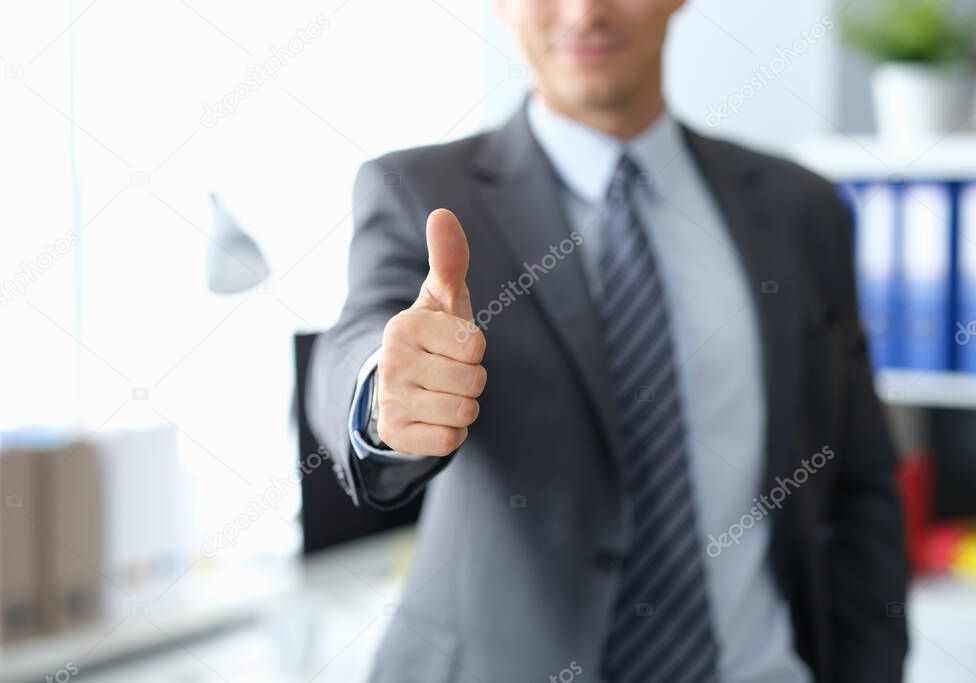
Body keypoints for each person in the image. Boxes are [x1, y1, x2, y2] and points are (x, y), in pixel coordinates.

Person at [306, 1, 908, 680]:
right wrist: (383, 395)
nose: (586, 12)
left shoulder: (802, 207)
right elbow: (355, 342)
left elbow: (860, 484)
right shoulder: (419, 191)